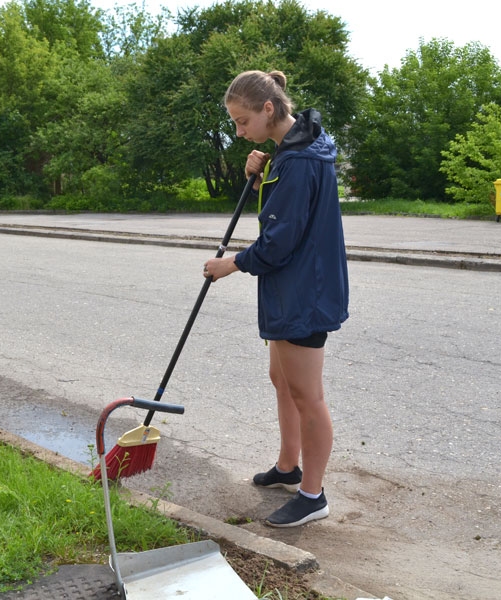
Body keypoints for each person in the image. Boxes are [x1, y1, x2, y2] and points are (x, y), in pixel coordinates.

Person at [204, 70, 349, 528]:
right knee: (281, 379)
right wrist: (264, 168)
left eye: (243, 121)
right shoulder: (293, 151)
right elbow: (289, 205)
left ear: (269, 109)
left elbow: (281, 239)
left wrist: (232, 264)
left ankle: (312, 495)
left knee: (308, 395)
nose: (239, 132)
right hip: (292, 285)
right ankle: (289, 466)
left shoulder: (300, 160)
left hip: (305, 289)